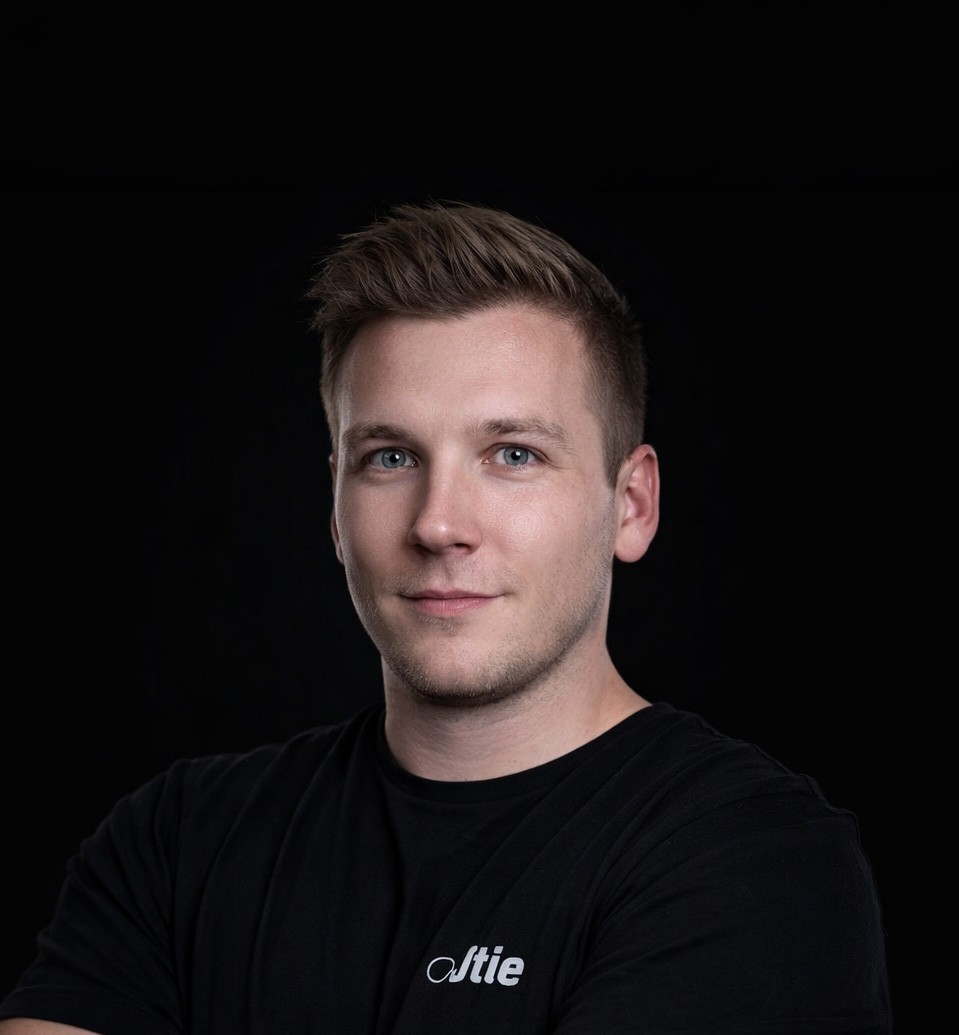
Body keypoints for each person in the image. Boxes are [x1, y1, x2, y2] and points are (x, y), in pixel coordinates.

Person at [0, 200, 892, 1033]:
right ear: (335, 508)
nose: (437, 524)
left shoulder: (755, 859)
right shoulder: (177, 842)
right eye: (390, 457)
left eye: (513, 454)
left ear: (631, 505)